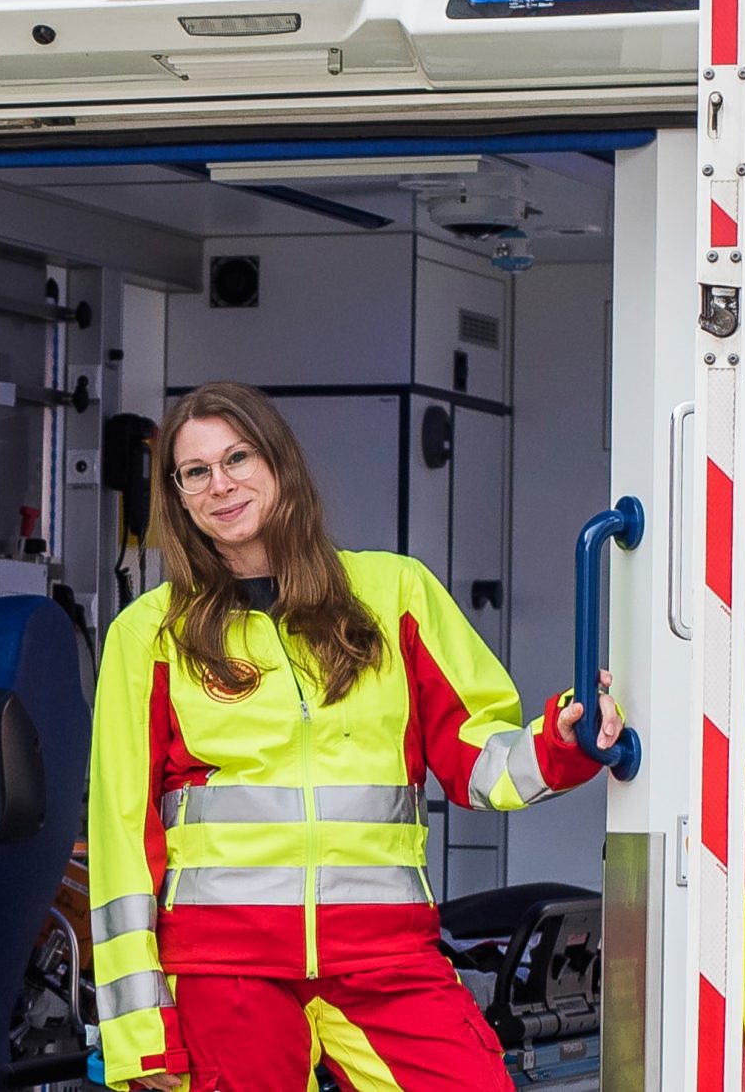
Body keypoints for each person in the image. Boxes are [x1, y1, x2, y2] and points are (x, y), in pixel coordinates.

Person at [86, 381, 624, 1092]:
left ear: (280, 463)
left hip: (385, 960)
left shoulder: (395, 594)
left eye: (238, 457)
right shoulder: (148, 634)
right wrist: (141, 1037)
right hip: (227, 973)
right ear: (179, 497)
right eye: (196, 472)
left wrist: (563, 740)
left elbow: (475, 754)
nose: (221, 484)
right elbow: (122, 836)